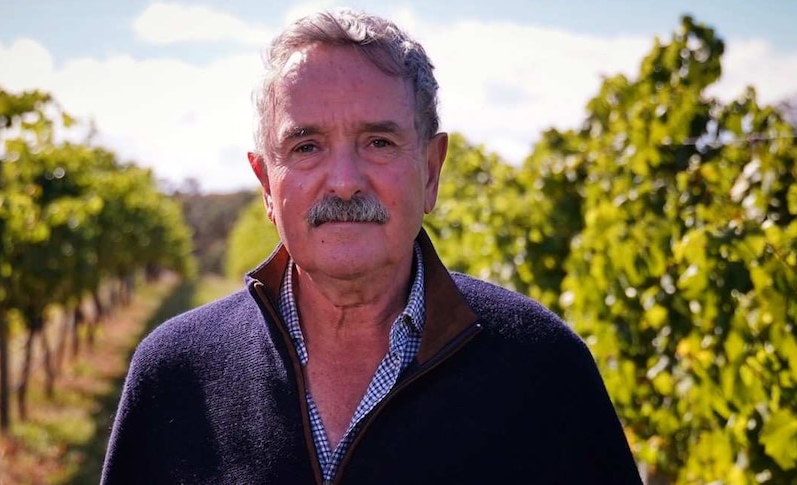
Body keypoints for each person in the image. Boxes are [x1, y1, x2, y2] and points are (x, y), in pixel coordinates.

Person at [101, 9, 642, 485]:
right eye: (307, 146)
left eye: (378, 142)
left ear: (430, 171)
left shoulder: (544, 370)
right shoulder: (175, 374)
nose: (344, 181)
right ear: (267, 184)